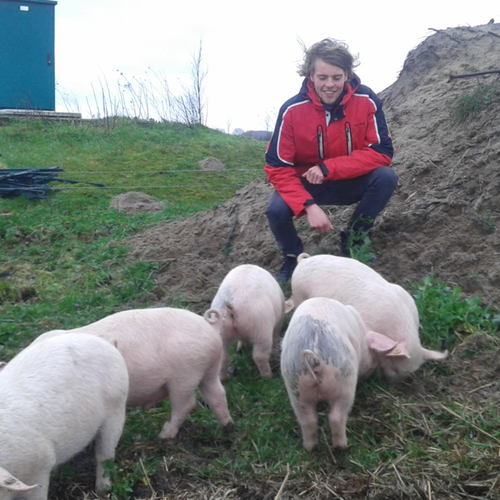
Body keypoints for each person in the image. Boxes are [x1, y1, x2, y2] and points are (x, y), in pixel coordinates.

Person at [264, 38, 398, 283]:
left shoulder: (367, 100)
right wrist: (308, 206)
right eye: (322, 77)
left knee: (386, 177)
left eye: (337, 77)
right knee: (275, 210)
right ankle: (293, 257)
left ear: (347, 74)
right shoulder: (292, 110)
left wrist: (328, 168)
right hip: (308, 182)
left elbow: (382, 151)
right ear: (310, 76)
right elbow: (277, 167)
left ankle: (354, 242)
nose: (329, 84)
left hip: (348, 178)